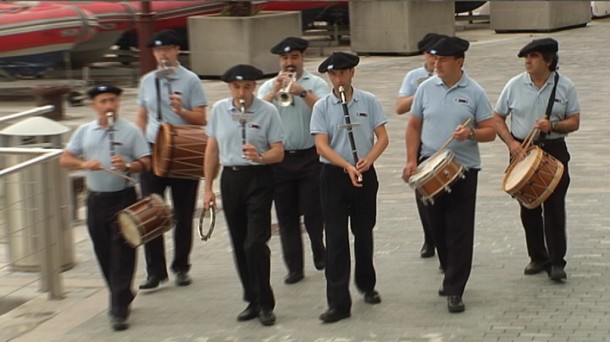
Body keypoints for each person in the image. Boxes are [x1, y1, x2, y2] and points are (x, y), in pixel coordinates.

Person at [401, 36, 496, 313]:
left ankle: (456, 288)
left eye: (443, 60)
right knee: (436, 226)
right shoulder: (425, 88)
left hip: (463, 170)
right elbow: (413, 127)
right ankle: (449, 270)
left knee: (460, 230)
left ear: (459, 61)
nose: (436, 64)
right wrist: (410, 160)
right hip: (430, 164)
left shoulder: (475, 92)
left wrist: (471, 133)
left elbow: (490, 130)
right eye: (435, 58)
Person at [59, 85, 151, 331]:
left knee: (123, 251)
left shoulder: (130, 131)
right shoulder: (84, 131)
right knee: (103, 252)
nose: (109, 105)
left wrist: (130, 165)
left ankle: (118, 309)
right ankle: (121, 293)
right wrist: (83, 163)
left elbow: (146, 161)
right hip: (96, 199)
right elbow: (64, 159)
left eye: (113, 100)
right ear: (94, 105)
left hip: (123, 197)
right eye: (103, 101)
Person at [203, 64, 284, 327]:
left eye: (247, 86)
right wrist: (207, 188)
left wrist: (260, 156)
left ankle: (265, 303)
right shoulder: (219, 110)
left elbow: (278, 151)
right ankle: (251, 298)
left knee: (254, 242)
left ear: (254, 87)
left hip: (259, 177)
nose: (241, 92)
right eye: (236, 87)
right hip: (231, 177)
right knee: (239, 242)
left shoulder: (268, 111)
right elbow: (212, 150)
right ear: (229, 88)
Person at [492, 38, 580, 282]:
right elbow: (497, 118)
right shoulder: (514, 85)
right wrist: (512, 144)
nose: (527, 61)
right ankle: (537, 257)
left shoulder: (565, 87)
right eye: (526, 57)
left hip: (554, 148)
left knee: (554, 208)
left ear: (549, 61)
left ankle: (556, 262)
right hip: (522, 149)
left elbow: (575, 121)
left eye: (533, 57)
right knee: (528, 206)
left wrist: (553, 125)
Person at [311, 52, 389, 323]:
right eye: (333, 75)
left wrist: (370, 158)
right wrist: (346, 165)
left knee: (364, 231)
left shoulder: (368, 100)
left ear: (352, 73)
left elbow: (382, 137)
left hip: (364, 173)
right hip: (334, 175)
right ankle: (338, 303)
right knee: (335, 239)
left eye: (343, 73)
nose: (338, 79)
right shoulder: (322, 106)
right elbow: (321, 144)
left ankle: (367, 284)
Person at [135, 29, 208, 289]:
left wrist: (182, 111)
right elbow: (142, 115)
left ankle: (181, 266)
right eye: (158, 50)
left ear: (176, 50)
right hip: (154, 149)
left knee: (184, 212)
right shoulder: (147, 80)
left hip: (182, 149)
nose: (162, 54)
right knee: (151, 212)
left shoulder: (190, 80)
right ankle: (155, 272)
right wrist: (139, 146)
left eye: (167, 49)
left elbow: (201, 119)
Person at [257, 37, 329, 284]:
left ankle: (319, 247)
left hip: (310, 156)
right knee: (286, 216)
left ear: (302, 59)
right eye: (285, 59)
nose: (290, 63)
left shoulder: (315, 83)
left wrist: (302, 92)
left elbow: (327, 110)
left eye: (294, 58)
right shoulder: (268, 86)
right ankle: (294, 267)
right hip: (280, 159)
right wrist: (275, 91)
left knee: (313, 211)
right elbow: (256, 113)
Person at [395, 32, 447, 259]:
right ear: (424, 54)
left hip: (444, 137)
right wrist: (424, 91)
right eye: (430, 55)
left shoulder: (448, 73)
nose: (434, 61)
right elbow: (399, 107)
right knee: (423, 191)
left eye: (438, 56)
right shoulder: (415, 77)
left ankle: (446, 237)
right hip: (421, 137)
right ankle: (430, 237)